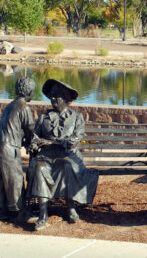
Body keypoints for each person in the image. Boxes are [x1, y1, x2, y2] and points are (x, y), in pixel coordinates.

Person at [26, 79, 99, 231]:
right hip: (46, 157)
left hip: (69, 156)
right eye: (51, 95)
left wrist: (50, 142)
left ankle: (70, 207)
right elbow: (35, 139)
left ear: (66, 99)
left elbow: (73, 141)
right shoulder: (43, 118)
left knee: (67, 165)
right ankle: (43, 214)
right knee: (39, 169)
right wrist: (34, 144)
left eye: (56, 96)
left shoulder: (76, 118)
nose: (52, 99)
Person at [0, 76, 36, 221]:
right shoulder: (24, 107)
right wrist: (32, 141)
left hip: (2, 145)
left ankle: (4, 209)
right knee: (15, 179)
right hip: (10, 147)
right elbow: (31, 130)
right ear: (29, 92)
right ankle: (19, 212)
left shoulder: (9, 106)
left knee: (3, 179)